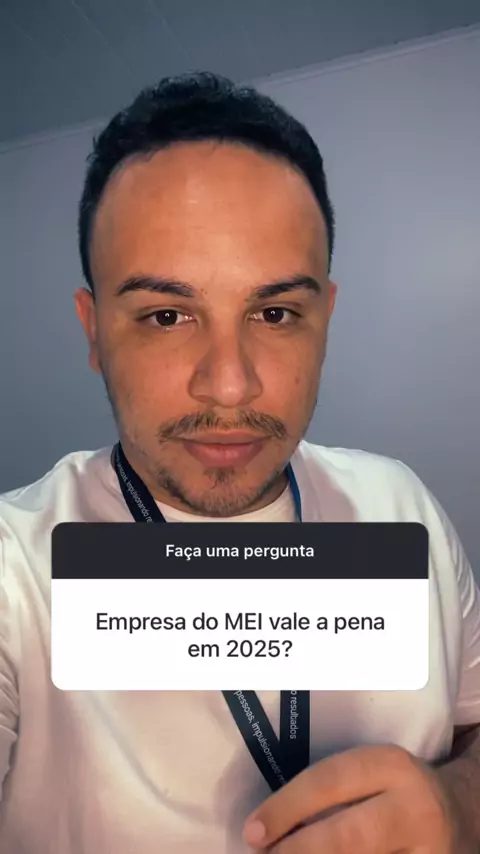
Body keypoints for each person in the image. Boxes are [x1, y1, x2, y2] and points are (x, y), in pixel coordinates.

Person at [0, 72, 478, 854]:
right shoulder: (15, 569)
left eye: (275, 312)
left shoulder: (401, 508)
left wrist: (457, 805)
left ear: (325, 319)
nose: (229, 385)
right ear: (93, 331)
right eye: (167, 316)